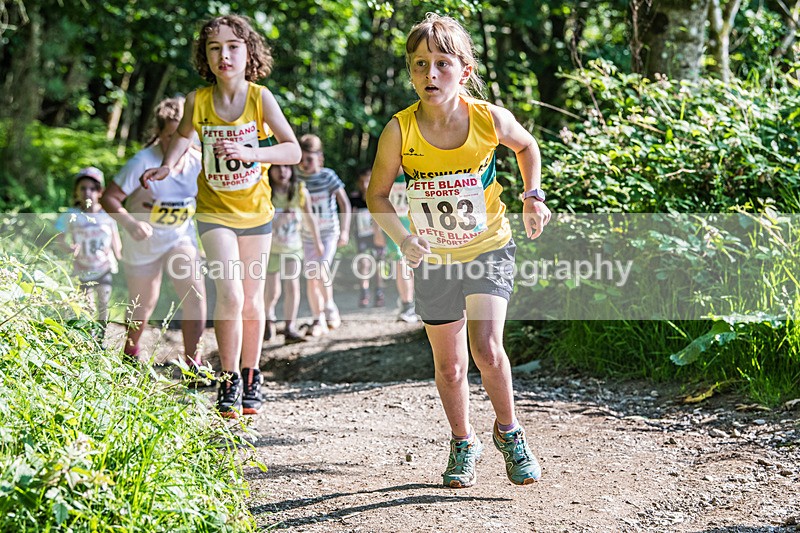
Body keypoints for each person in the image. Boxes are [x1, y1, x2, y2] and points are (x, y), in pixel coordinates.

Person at [367, 13, 551, 488]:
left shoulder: (487, 119)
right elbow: (377, 195)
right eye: (420, 65)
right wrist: (403, 237)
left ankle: (510, 433)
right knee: (449, 366)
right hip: (433, 258)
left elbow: (527, 147)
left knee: (488, 350)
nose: (430, 74)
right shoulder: (399, 131)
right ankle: (463, 441)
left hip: (489, 247)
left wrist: (532, 197)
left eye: (442, 64)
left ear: (464, 71)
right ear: (410, 72)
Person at [141, 14, 301, 418]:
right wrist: (166, 166)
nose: (224, 55)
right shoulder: (198, 100)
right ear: (205, 56)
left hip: (256, 213)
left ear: (248, 52)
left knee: (251, 299)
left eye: (232, 46)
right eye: (214, 48)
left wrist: (252, 153)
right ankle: (228, 378)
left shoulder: (260, 98)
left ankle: (252, 374)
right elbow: (183, 136)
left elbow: (292, 150)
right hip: (214, 211)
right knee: (229, 294)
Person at [100, 96, 207, 373]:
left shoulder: (198, 161)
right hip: (143, 240)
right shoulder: (143, 161)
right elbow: (109, 198)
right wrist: (130, 224)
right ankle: (131, 353)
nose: (177, 144)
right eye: (171, 136)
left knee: (195, 294)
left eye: (183, 135)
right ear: (159, 133)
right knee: (144, 302)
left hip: (179, 237)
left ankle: (193, 363)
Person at [55, 167, 121, 338]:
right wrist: (68, 247)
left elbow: (116, 240)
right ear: (76, 192)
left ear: (100, 192)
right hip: (81, 267)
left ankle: (101, 338)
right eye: (83, 188)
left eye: (92, 188)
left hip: (104, 266)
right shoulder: (72, 214)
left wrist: (123, 259)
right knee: (87, 305)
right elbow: (59, 237)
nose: (87, 193)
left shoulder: (108, 215)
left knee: (104, 303)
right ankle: (88, 337)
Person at [297, 133, 351, 337]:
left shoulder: (328, 176)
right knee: (312, 277)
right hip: (306, 236)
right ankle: (317, 318)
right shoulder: (298, 178)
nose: (304, 164)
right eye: (301, 160)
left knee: (320, 270)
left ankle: (329, 307)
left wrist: (344, 231)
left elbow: (344, 203)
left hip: (329, 233)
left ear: (319, 157)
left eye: (309, 159)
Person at [264, 163, 323, 343]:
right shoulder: (266, 190)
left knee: (292, 286)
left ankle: (290, 326)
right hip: (270, 249)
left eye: (286, 168)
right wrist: (278, 221)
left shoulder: (299, 191)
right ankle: (268, 318)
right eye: (277, 168)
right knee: (272, 291)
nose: (282, 172)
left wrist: (317, 240)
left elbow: (310, 217)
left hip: (293, 248)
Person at [384, 171, 418, 323]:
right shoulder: (384, 174)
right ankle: (407, 305)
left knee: (417, 265)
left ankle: (420, 303)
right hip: (394, 227)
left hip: (415, 226)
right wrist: (377, 230)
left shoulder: (416, 169)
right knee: (401, 264)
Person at [349, 168, 386, 308]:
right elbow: (351, 218)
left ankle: (379, 292)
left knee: (379, 265)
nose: (365, 185)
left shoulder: (380, 198)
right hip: (362, 237)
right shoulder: (355, 198)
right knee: (364, 263)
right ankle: (364, 293)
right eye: (363, 181)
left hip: (378, 236)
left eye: (368, 181)